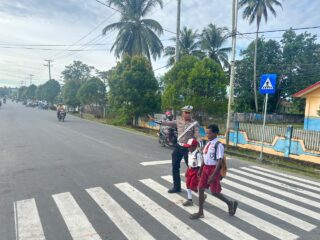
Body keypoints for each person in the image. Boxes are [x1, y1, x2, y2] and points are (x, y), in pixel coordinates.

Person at [190, 124, 238, 219]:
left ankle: (230, 203)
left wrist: (213, 175)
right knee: (201, 189)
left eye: (209, 133)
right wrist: (200, 169)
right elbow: (205, 157)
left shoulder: (218, 145)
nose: (207, 135)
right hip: (205, 169)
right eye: (207, 133)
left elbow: (219, 161)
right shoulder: (208, 143)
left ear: (216, 133)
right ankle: (200, 212)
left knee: (215, 192)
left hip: (213, 169)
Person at [151, 105, 203, 193]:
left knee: (192, 168)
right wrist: (155, 121)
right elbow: (167, 123)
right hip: (179, 146)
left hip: (188, 148)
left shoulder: (194, 124)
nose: (187, 115)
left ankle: (199, 185)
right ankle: (176, 187)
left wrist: (201, 148)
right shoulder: (178, 121)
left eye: (189, 113)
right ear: (182, 113)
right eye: (185, 113)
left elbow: (198, 136)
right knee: (175, 167)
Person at [182, 138, 203, 206]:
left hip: (195, 171)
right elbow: (189, 163)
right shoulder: (189, 153)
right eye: (187, 146)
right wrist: (188, 170)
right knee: (188, 185)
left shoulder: (197, 154)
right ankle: (189, 200)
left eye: (189, 146)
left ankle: (202, 195)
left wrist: (199, 173)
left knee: (193, 186)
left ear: (194, 146)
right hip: (190, 169)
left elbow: (200, 165)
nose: (188, 148)